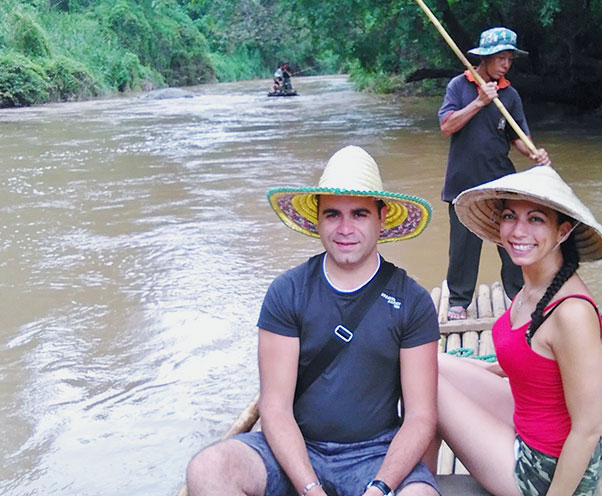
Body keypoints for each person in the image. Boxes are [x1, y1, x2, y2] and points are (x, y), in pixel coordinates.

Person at [185, 146, 441, 496]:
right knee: (208, 468)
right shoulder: (288, 292)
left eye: (360, 214)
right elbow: (275, 408)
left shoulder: (412, 300)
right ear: (317, 219)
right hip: (294, 450)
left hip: (376, 454)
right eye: (333, 214)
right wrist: (310, 488)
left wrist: (380, 488)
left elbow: (420, 417)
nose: (345, 228)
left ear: (382, 219)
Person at [427, 165, 602, 496]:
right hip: (528, 420)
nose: (518, 230)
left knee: (425, 386)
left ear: (562, 232)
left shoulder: (572, 313)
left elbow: (588, 430)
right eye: (510, 216)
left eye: (535, 219)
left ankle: (418, 486)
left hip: (546, 470)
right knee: (426, 364)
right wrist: (472, 367)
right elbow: (528, 361)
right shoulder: (534, 287)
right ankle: (422, 482)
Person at [438, 27, 552, 321]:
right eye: (501, 58)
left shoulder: (509, 94)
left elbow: (518, 137)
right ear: (485, 58)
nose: (506, 65)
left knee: (513, 240)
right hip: (463, 184)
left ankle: (518, 296)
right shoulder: (459, 87)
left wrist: (534, 153)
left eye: (509, 59)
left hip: (501, 181)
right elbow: (447, 126)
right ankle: (459, 301)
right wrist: (479, 102)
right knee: (463, 248)